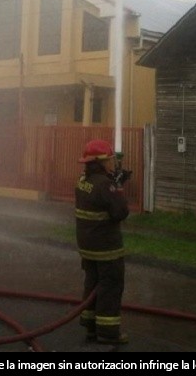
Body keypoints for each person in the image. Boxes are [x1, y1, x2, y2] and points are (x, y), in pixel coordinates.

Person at [75, 139, 130, 345]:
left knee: (92, 284)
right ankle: (108, 333)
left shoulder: (82, 181)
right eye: (107, 160)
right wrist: (118, 188)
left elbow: (97, 201)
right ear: (99, 162)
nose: (110, 163)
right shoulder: (105, 185)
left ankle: (90, 328)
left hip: (87, 246)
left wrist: (113, 184)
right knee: (110, 287)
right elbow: (120, 212)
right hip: (106, 248)